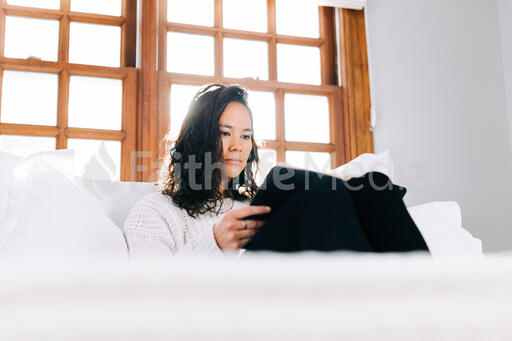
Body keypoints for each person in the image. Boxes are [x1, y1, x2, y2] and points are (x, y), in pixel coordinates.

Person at [123, 84, 429, 258]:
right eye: (224, 132)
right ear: (196, 138)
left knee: (375, 187)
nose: (238, 146)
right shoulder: (156, 210)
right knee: (314, 193)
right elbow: (151, 295)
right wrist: (214, 243)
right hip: (235, 302)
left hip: (296, 282)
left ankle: (434, 310)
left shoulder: (250, 201)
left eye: (245, 136)